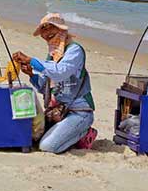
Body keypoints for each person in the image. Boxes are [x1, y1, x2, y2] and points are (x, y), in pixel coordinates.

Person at [13, 13, 97, 154]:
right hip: (58, 112)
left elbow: (60, 72)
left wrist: (31, 60)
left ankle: (84, 133)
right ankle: (67, 132)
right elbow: (47, 88)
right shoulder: (53, 55)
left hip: (78, 112)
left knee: (47, 146)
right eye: (43, 30)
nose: (46, 34)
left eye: (50, 28)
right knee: (32, 137)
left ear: (61, 29)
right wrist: (32, 75)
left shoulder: (74, 50)